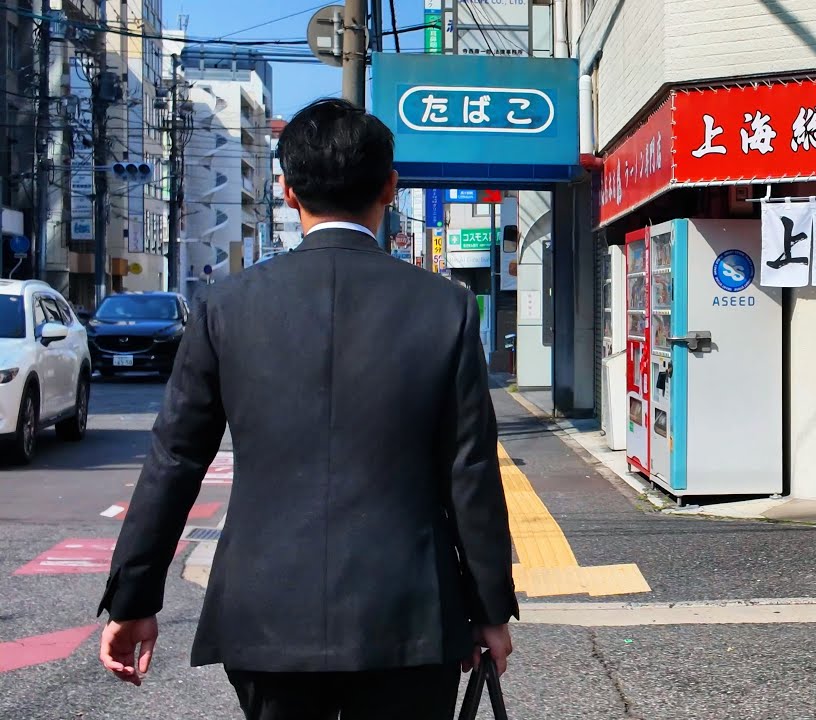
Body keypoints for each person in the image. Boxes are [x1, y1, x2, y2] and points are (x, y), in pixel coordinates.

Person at [96, 97, 518, 719]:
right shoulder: (445, 306)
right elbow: (471, 471)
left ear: (288, 192)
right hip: (409, 614)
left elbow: (176, 458)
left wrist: (134, 596)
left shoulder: (225, 306)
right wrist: (488, 608)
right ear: (391, 187)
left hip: (267, 614)